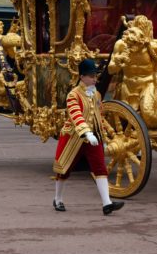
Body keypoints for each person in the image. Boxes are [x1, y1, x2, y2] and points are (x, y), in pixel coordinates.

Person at [52, 58, 124, 215]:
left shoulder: (96, 95)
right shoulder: (73, 95)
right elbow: (76, 115)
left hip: (93, 138)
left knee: (100, 168)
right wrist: (86, 132)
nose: (94, 79)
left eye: (95, 76)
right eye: (91, 76)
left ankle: (107, 203)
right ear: (82, 77)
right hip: (74, 137)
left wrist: (106, 134)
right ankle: (58, 198)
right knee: (64, 170)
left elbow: (99, 116)